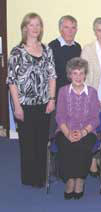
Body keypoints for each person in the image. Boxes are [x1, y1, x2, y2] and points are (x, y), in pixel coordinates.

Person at [7, 12, 56, 188]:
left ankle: (41, 177)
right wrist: (17, 107)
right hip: (24, 105)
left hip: (43, 104)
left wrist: (52, 99)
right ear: (25, 28)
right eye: (31, 25)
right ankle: (29, 178)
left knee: (42, 141)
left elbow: (52, 76)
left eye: (38, 25)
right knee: (27, 143)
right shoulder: (17, 52)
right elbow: (11, 82)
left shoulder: (47, 50)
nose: (35, 28)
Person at [55, 57, 101, 200]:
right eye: (75, 73)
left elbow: (95, 118)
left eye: (81, 73)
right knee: (66, 145)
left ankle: (80, 179)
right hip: (65, 130)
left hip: (87, 130)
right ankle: (69, 180)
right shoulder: (62, 91)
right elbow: (60, 117)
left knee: (83, 146)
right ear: (69, 75)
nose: (78, 77)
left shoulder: (92, 92)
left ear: (85, 74)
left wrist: (82, 132)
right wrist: (68, 133)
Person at [81, 17, 101, 176]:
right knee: (95, 129)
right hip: (95, 96)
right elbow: (84, 77)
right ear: (95, 31)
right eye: (99, 30)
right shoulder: (88, 50)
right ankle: (93, 162)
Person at [48, 15, 81, 139]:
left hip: (73, 95)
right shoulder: (52, 47)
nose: (70, 31)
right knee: (56, 130)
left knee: (71, 129)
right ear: (60, 29)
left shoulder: (77, 47)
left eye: (73, 28)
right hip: (56, 96)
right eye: (67, 27)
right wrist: (52, 98)